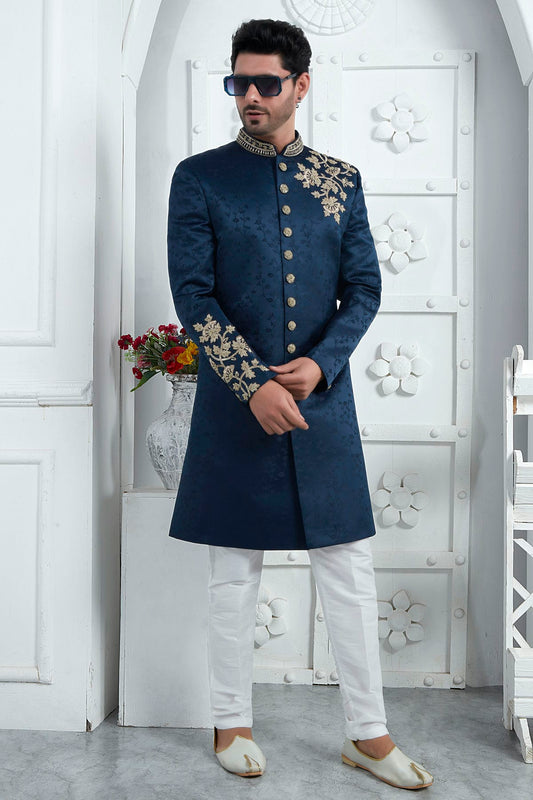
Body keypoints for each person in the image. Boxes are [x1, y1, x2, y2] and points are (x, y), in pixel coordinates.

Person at [166, 17, 434, 790]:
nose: (249, 96)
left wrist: (321, 363)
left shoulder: (339, 179)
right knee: (232, 573)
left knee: (347, 570)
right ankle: (230, 721)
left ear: (300, 85)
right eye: (238, 82)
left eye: (266, 83)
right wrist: (250, 384)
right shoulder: (200, 177)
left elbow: (365, 288)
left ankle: (368, 736)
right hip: (233, 409)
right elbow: (193, 294)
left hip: (323, 407)